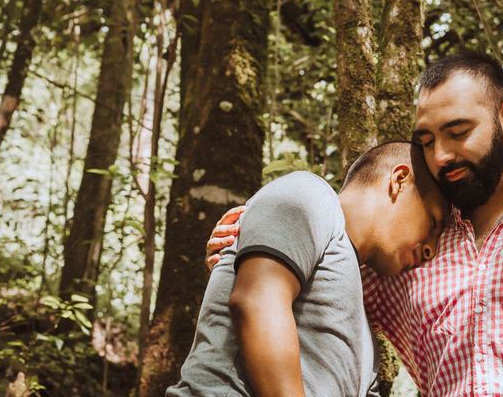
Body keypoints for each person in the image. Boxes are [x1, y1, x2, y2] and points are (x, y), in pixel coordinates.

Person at [208, 51, 503, 397]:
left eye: (458, 132)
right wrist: (242, 241)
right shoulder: (406, 250)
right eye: (425, 140)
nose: (441, 155)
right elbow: (302, 278)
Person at [173, 141, 447, 397]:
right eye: (434, 223)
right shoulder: (309, 194)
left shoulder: (366, 345)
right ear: (399, 180)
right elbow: (256, 302)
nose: (430, 250)